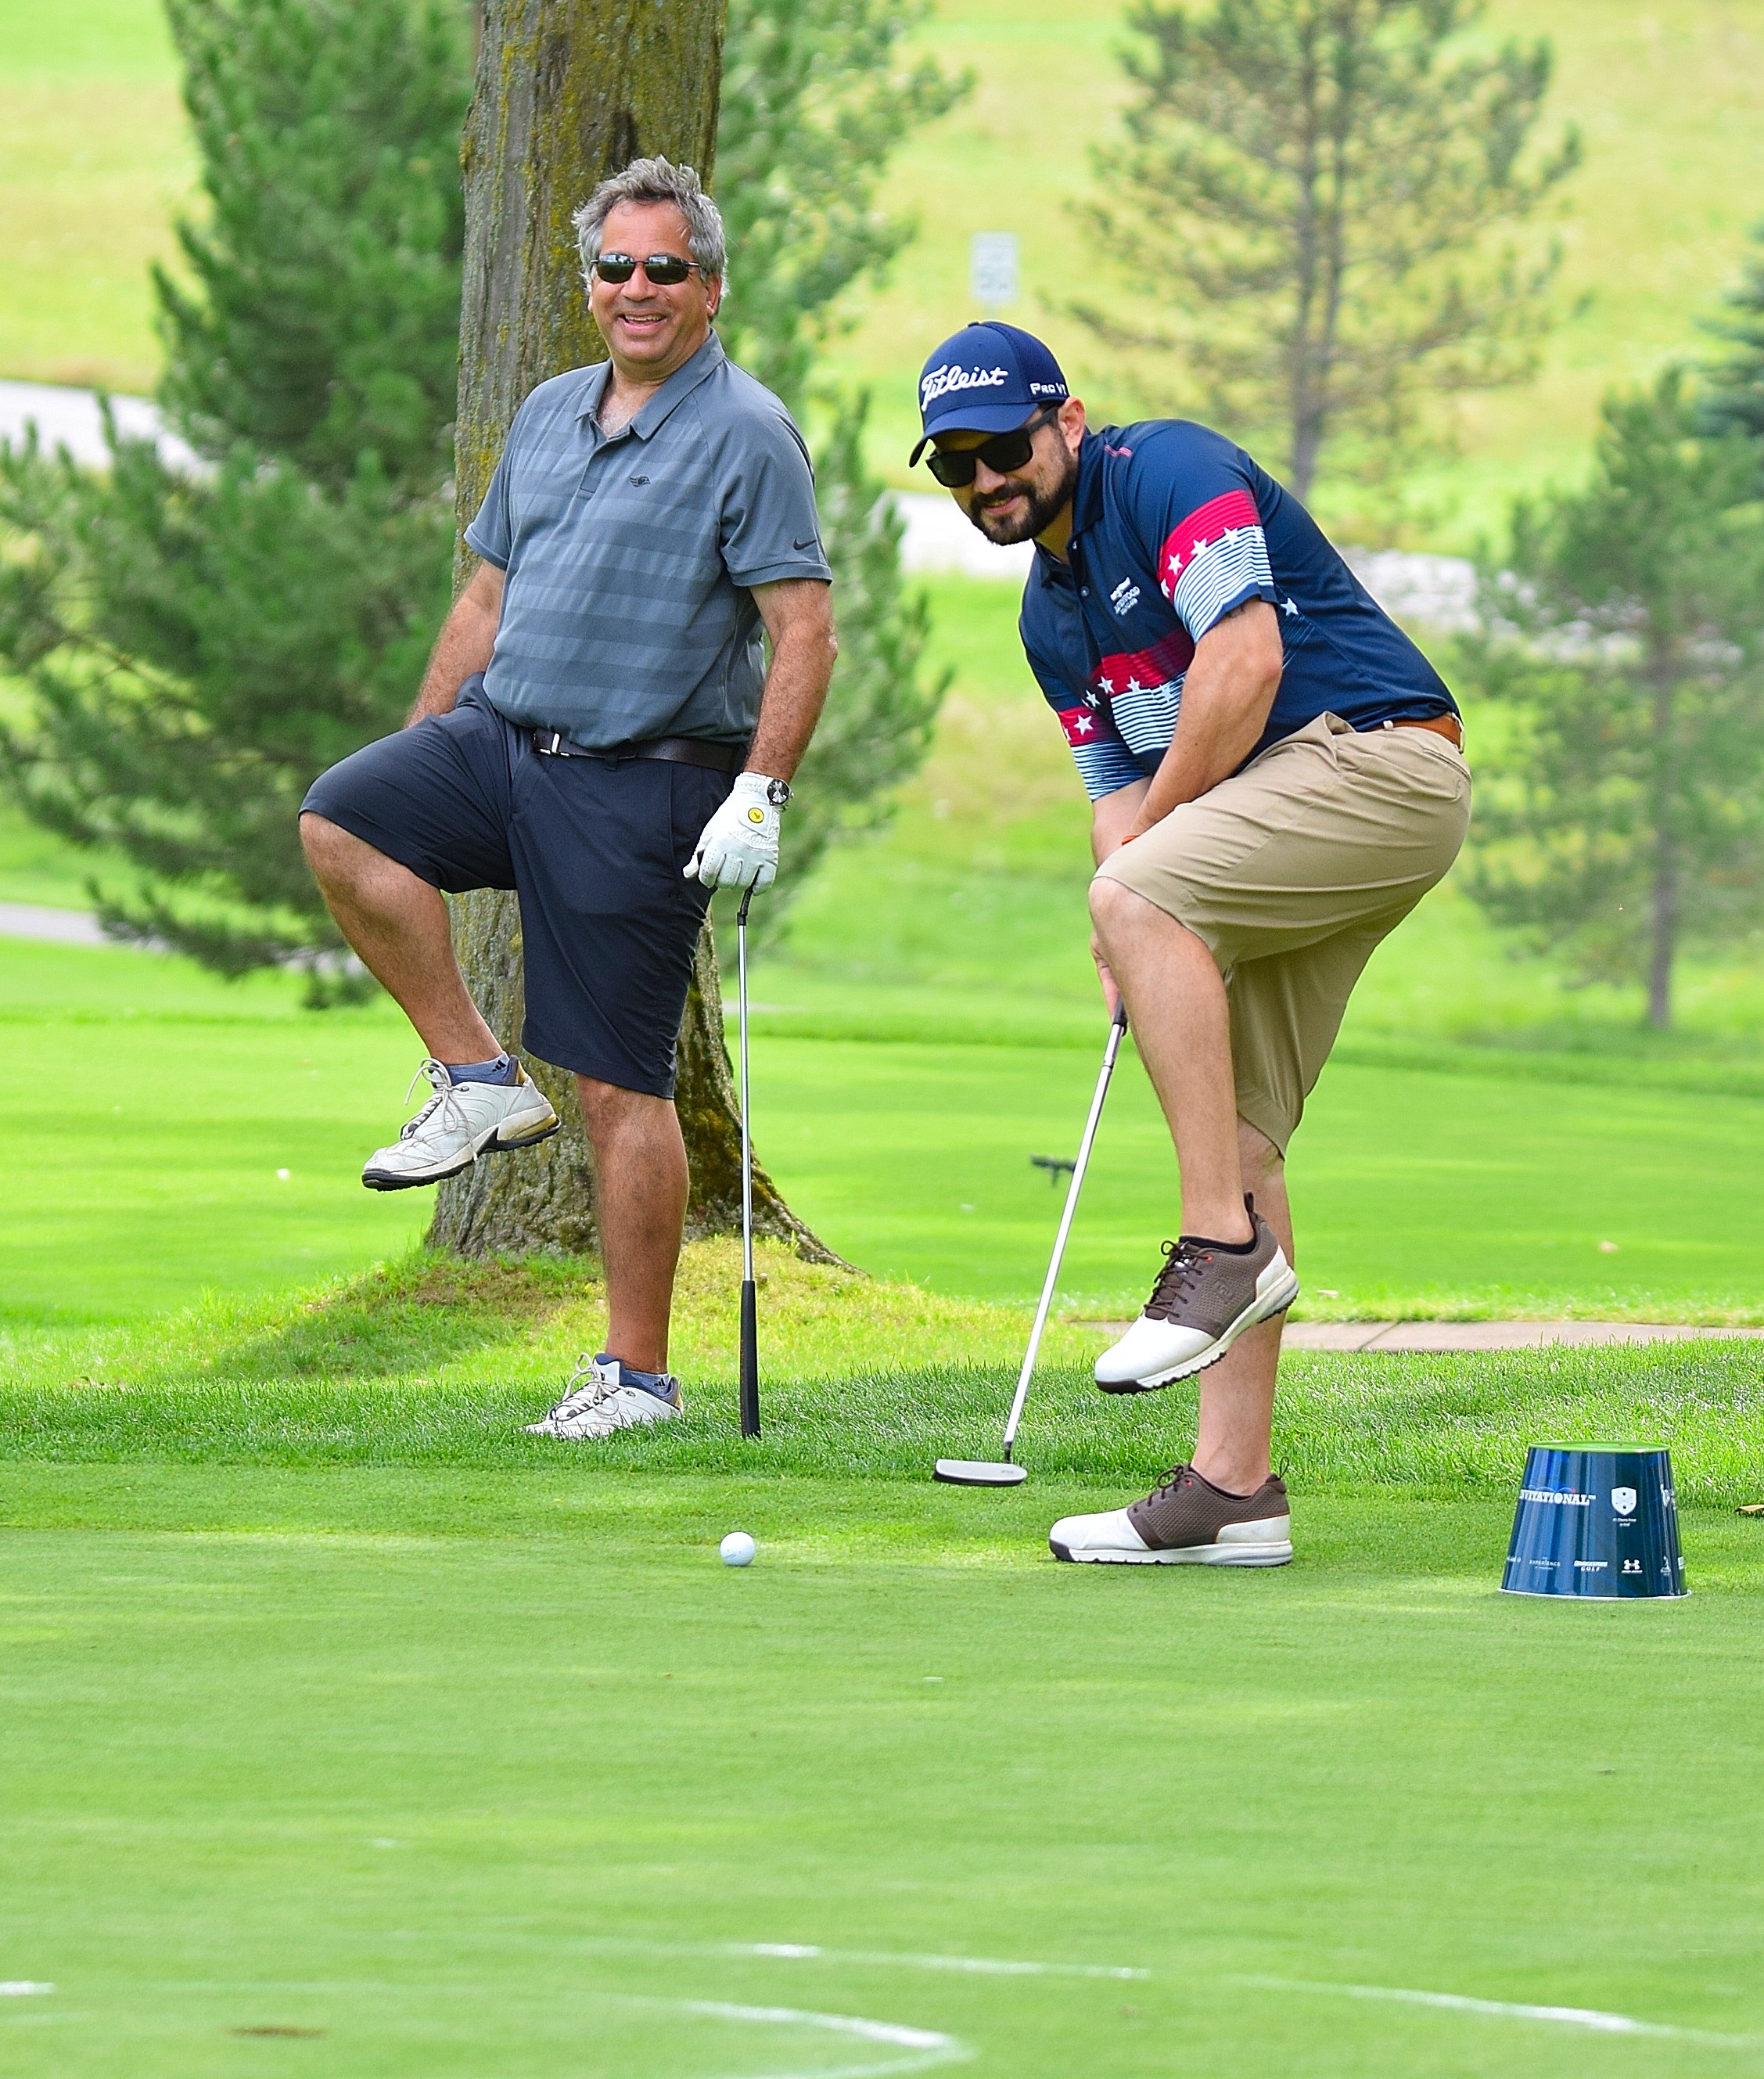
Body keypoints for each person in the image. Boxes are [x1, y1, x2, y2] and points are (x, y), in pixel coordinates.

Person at [910, 322, 1469, 1566]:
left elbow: (1246, 658)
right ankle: (1234, 1493)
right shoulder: (1049, 616)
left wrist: (1140, 890)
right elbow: (1116, 797)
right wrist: (1133, 921)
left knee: (1141, 895)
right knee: (1245, 1133)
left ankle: (1218, 1250)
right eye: (957, 466)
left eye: (1003, 445)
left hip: (1377, 763)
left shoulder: (1168, 469)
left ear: (1066, 420)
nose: (988, 480)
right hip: (1277, 816)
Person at [300, 157, 836, 1441]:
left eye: (666, 268)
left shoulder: (748, 432)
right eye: (616, 266)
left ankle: (638, 1378)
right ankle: (477, 1073)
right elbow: (484, 600)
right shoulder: (547, 411)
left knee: (615, 1085)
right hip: (501, 742)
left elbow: (803, 631)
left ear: (710, 288)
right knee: (343, 817)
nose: (637, 289)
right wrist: (424, 751)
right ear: (588, 283)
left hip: (644, 786)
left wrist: (761, 793)